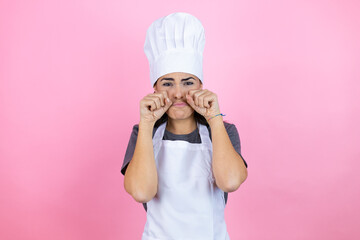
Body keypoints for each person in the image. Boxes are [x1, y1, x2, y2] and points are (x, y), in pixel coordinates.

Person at [121, 12, 248, 240]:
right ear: (155, 89)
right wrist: (147, 123)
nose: (178, 93)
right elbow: (142, 192)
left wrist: (214, 117)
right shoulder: (143, 133)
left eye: (187, 83)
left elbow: (230, 181)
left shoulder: (222, 130)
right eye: (167, 83)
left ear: (201, 85)